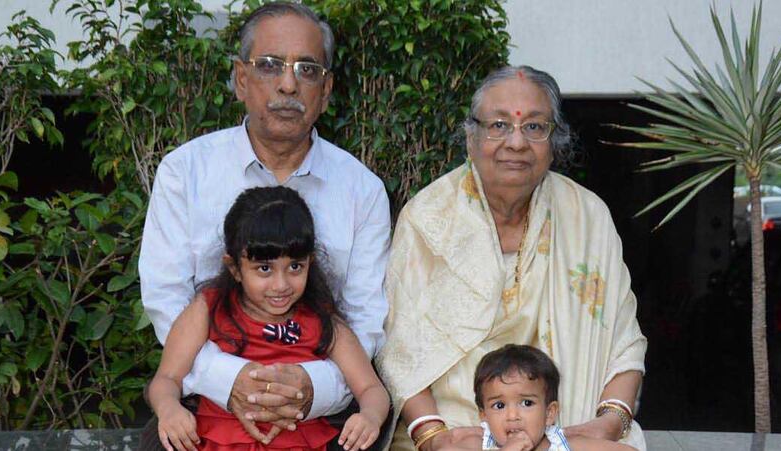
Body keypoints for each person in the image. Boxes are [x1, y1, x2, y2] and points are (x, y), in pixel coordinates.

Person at [138, 1, 390, 445]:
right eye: (270, 65)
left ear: (327, 89)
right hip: (207, 406)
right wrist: (231, 379)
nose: (289, 84)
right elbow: (167, 299)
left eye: (308, 70)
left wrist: (313, 387)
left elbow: (366, 318)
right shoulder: (185, 172)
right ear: (241, 79)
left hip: (318, 413)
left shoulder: (362, 190)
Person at [377, 65, 648, 450]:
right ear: (471, 138)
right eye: (499, 126)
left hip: (567, 429)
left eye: (535, 127)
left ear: (555, 142)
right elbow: (400, 349)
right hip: (458, 432)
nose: (516, 143)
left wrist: (606, 425)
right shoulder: (429, 218)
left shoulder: (586, 215)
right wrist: (434, 436)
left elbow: (625, 344)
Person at [147, 187, 390, 451]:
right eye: (264, 269)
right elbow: (166, 379)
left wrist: (370, 416)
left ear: (311, 261)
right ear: (235, 268)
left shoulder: (322, 320)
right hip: (215, 442)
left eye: (295, 267)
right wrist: (169, 408)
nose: (281, 284)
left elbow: (371, 389)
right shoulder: (208, 309)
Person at [468, 344, 636, 451]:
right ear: (484, 415)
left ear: (549, 413)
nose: (512, 416)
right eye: (499, 405)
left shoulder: (565, 444)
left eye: (527, 403)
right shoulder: (479, 445)